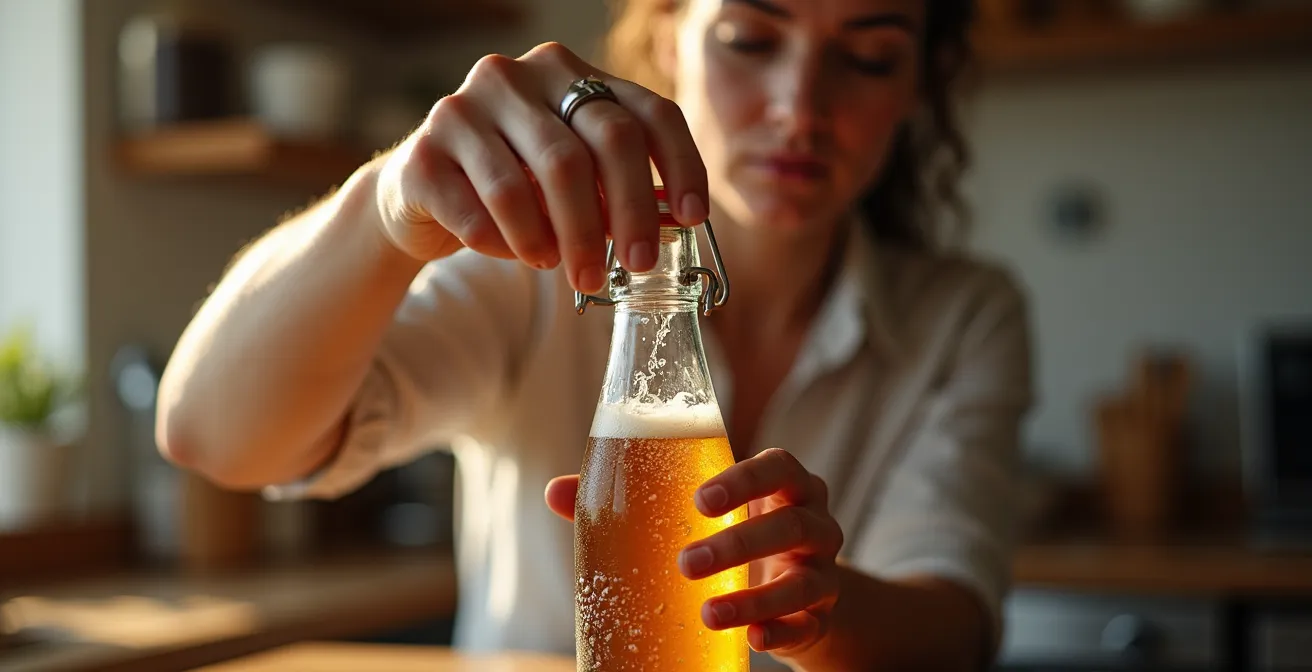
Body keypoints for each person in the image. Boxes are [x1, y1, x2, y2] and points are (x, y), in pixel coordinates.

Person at [156, 0, 1032, 668]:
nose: (800, 106)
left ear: (918, 86)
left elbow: (956, 627)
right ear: (665, 41)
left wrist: (818, 603)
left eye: (870, 58)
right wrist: (388, 210)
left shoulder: (962, 315)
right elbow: (213, 437)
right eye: (751, 41)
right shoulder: (529, 265)